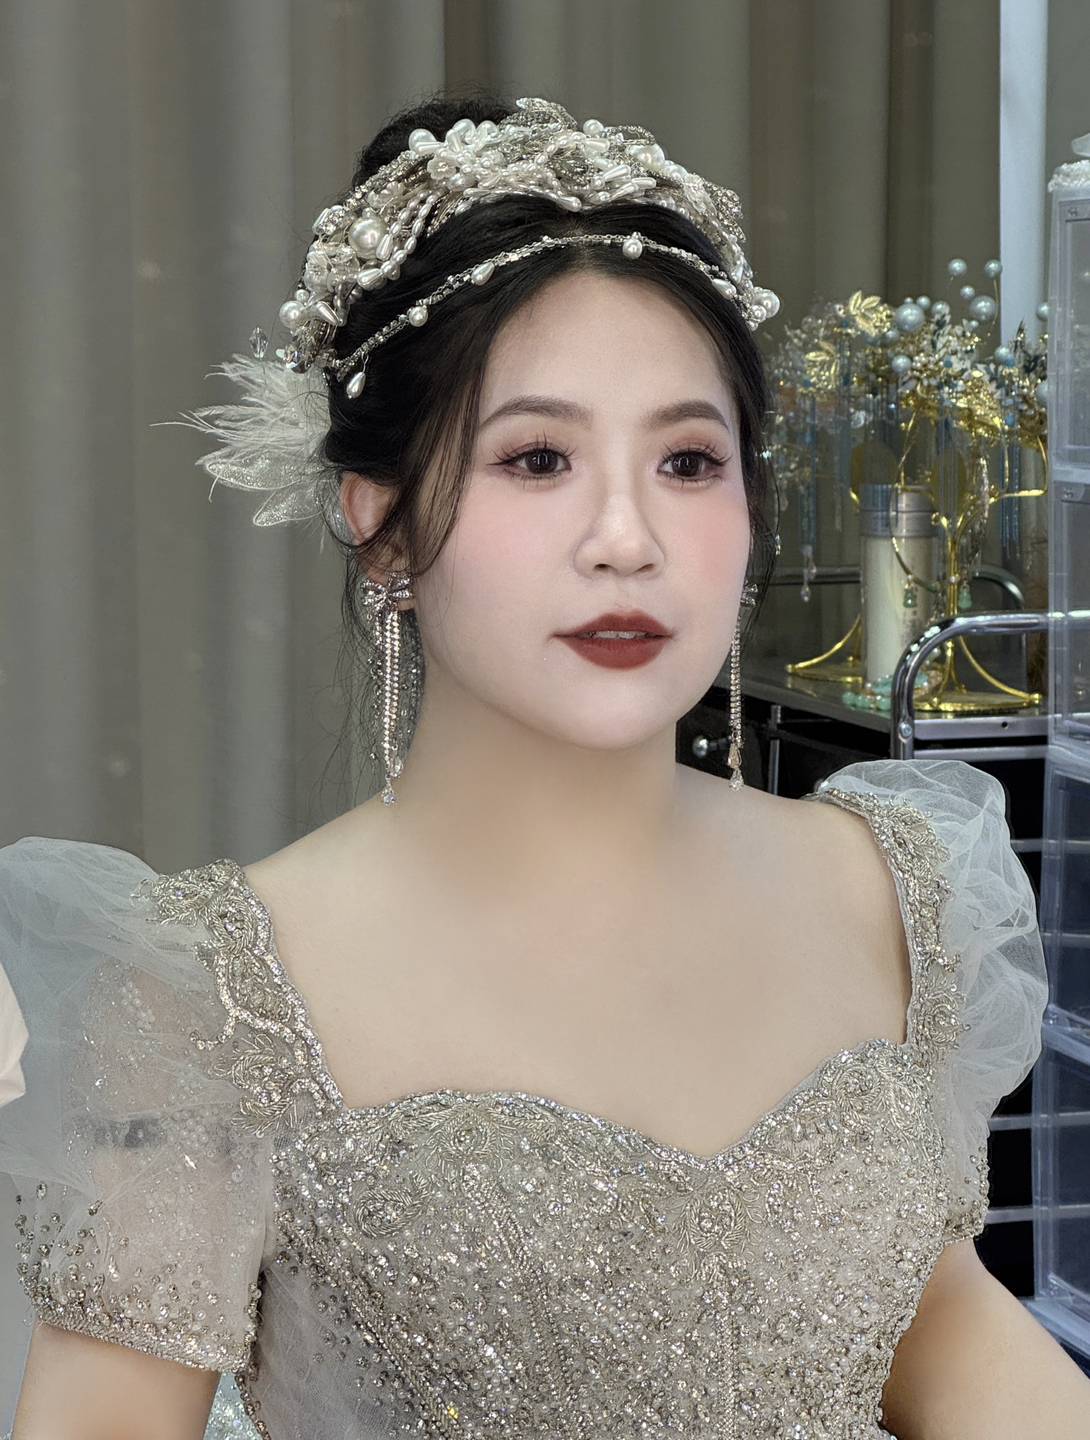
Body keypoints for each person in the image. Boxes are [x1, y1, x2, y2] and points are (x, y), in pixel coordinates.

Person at [1, 95, 1087, 1440]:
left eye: (687, 460)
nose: (627, 536)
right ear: (383, 525)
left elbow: (942, 1325)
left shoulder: (892, 891)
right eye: (537, 459)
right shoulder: (208, 1000)